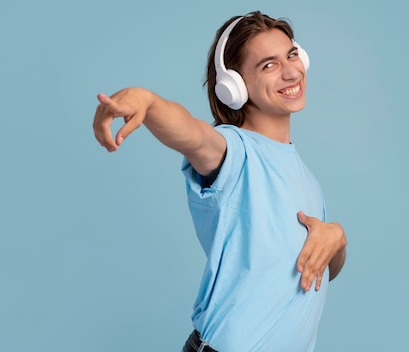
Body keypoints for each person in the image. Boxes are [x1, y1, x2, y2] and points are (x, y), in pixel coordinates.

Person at [92, 11, 347, 352]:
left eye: (291, 55)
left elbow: (322, 271)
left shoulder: (307, 178)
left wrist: (337, 238)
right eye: (268, 65)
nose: (290, 71)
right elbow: (195, 136)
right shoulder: (235, 152)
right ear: (234, 87)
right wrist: (148, 102)